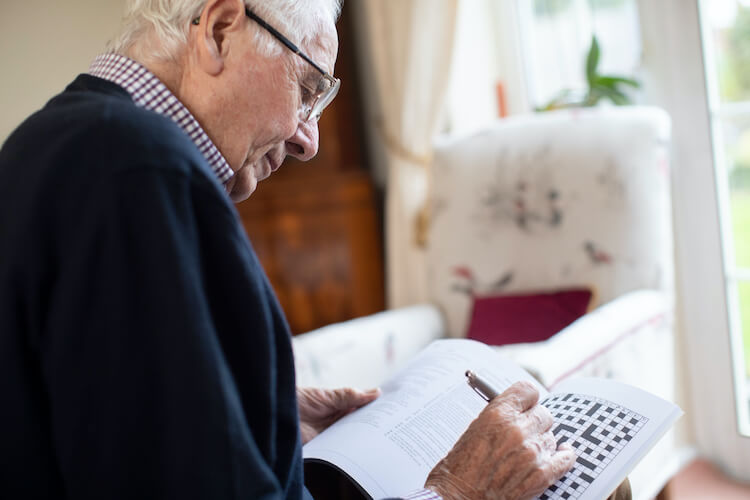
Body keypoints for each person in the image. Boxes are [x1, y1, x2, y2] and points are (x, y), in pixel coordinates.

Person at [0, 0, 580, 498]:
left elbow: (108, 424)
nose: (309, 139)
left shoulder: (54, 141)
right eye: (307, 90)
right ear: (221, 28)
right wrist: (457, 489)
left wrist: (256, 413)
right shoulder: (138, 167)